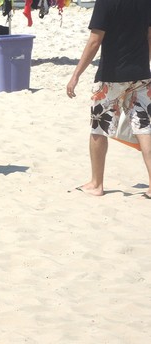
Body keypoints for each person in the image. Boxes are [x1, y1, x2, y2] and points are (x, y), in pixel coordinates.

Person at [67, 0, 151, 199]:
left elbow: (95, 41)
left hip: (110, 76)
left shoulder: (106, 1)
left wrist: (76, 74)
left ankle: (96, 184)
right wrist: (144, 65)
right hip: (140, 74)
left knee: (99, 128)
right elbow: (149, 35)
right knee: (145, 128)